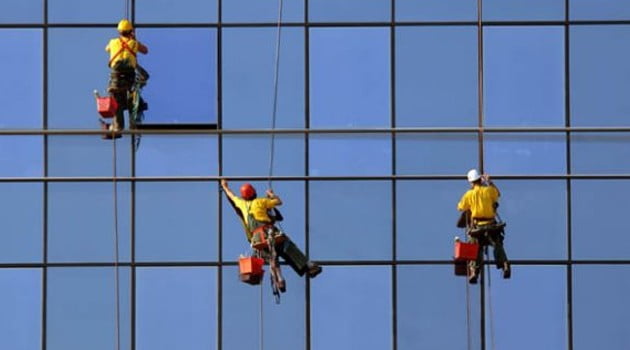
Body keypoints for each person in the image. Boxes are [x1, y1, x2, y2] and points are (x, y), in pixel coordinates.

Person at [220, 180, 322, 291]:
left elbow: (232, 195)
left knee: (272, 257)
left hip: (257, 239)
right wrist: (271, 195)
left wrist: (225, 186)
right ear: (254, 193)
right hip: (270, 232)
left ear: (244, 197)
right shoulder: (261, 202)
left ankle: (280, 279)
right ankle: (310, 265)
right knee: (288, 247)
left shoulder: (241, 203)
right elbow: (278, 201)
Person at [457, 169, 510, 284]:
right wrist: (490, 182)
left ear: (471, 182)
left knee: (475, 249)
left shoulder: (469, 194)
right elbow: (498, 194)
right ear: (480, 179)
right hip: (491, 226)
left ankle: (475, 272)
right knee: (497, 245)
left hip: (478, 228)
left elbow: (460, 207)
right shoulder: (489, 190)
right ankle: (504, 265)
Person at [103, 19, 149, 134]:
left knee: (117, 101)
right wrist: (133, 40)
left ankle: (118, 127)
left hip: (116, 79)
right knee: (132, 101)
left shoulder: (113, 42)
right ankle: (134, 125)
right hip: (129, 78)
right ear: (131, 31)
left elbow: (106, 49)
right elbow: (145, 51)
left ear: (119, 31)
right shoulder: (134, 43)